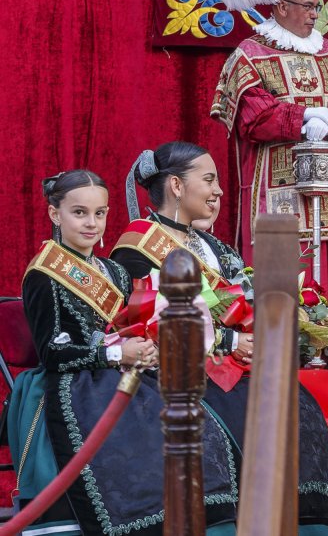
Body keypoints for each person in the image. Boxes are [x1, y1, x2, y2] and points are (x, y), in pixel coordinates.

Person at [110, 142, 328, 534]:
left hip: (235, 365)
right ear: (175, 185)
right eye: (208, 180)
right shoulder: (138, 248)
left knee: (297, 403)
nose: (219, 192)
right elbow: (152, 320)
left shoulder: (214, 246)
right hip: (179, 369)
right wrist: (226, 342)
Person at [7, 170, 239, 535]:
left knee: (195, 416)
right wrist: (117, 355)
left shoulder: (115, 270)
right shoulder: (44, 274)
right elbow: (53, 352)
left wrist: (145, 347)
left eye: (99, 214)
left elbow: (129, 325)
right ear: (55, 215)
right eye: (79, 213)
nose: (91, 223)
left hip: (126, 373)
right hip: (73, 384)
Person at [211, 0, 328, 368]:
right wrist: (300, 118)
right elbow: (250, 115)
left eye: (317, 7)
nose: (313, 14)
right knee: (283, 257)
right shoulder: (249, 55)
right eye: (306, 7)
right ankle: (282, 347)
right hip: (273, 184)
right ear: (280, 6)